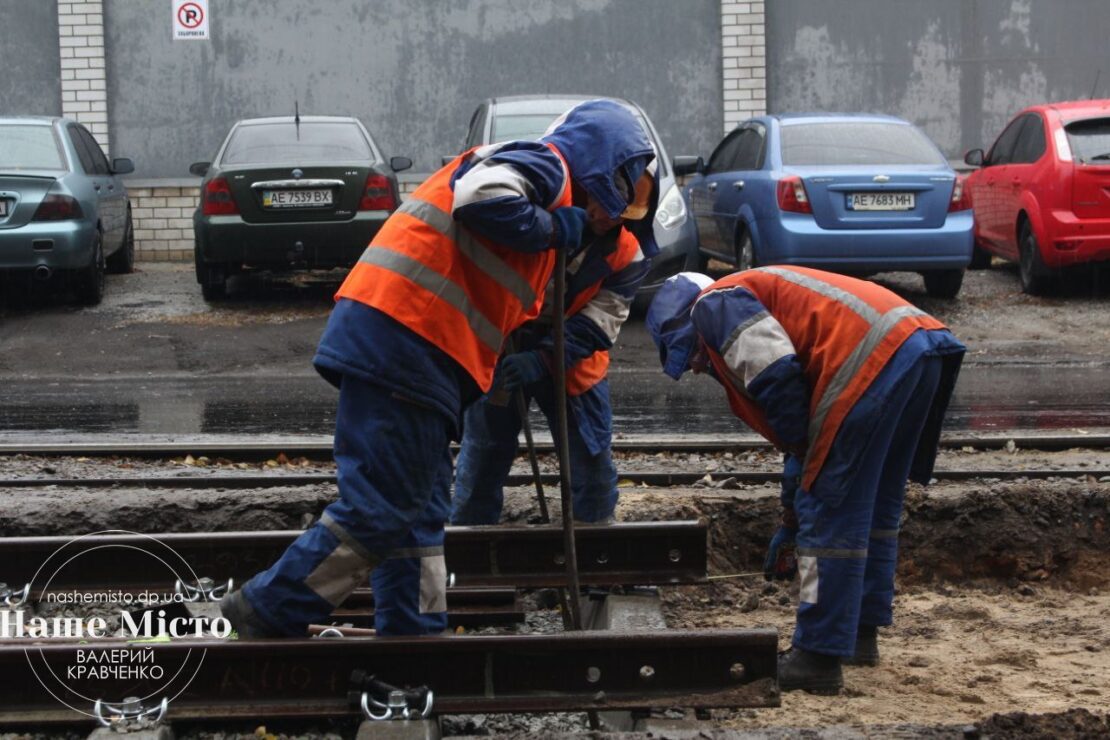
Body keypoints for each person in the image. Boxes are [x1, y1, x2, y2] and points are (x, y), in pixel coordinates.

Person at [220, 99, 655, 637]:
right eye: (610, 190)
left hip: (422, 351)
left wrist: (537, 356)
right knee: (381, 509)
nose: (604, 214)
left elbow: (583, 316)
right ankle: (268, 608)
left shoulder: (606, 236)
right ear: (599, 163)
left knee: (421, 511)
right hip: (405, 341)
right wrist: (551, 227)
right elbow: (480, 198)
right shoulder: (548, 166)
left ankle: (415, 635)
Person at [646, 267, 965, 695]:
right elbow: (801, 424)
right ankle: (858, 635)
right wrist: (789, 515)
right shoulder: (760, 297)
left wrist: (806, 499)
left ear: (687, 320)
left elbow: (779, 381)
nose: (699, 366)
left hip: (870, 360)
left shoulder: (716, 304)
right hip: (914, 348)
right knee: (873, 506)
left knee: (830, 510)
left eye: (692, 354)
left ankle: (816, 655)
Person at [450, 147, 659, 527]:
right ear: (588, 188)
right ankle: (470, 550)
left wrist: (543, 359)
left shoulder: (628, 254)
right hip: (503, 344)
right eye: (601, 204)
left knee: (591, 456)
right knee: (482, 454)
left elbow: (602, 321)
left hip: (572, 354)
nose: (605, 218)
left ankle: (595, 552)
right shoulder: (536, 213)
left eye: (618, 213)